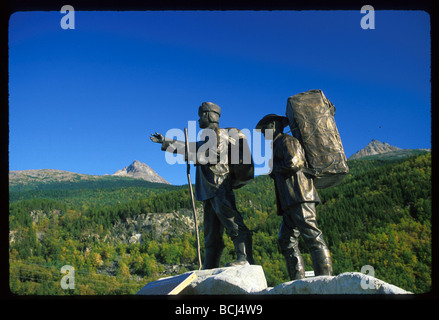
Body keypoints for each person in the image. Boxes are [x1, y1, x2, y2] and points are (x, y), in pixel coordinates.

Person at [150, 102, 254, 269]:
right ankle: (209, 266)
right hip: (208, 189)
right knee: (211, 232)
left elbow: (214, 154)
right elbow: (191, 148)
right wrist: (166, 142)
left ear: (208, 115)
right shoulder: (207, 137)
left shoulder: (219, 134)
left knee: (232, 221)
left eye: (200, 116)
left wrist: (194, 155)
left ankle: (245, 257)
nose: (198, 120)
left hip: (219, 185)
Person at [255, 114, 333, 280]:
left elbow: (294, 163)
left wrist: (273, 168)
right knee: (285, 240)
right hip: (289, 201)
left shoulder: (287, 141)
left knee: (312, 235)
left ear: (276, 126)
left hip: (300, 195)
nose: (263, 132)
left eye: (266, 127)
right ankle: (297, 281)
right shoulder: (275, 145)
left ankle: (325, 279)